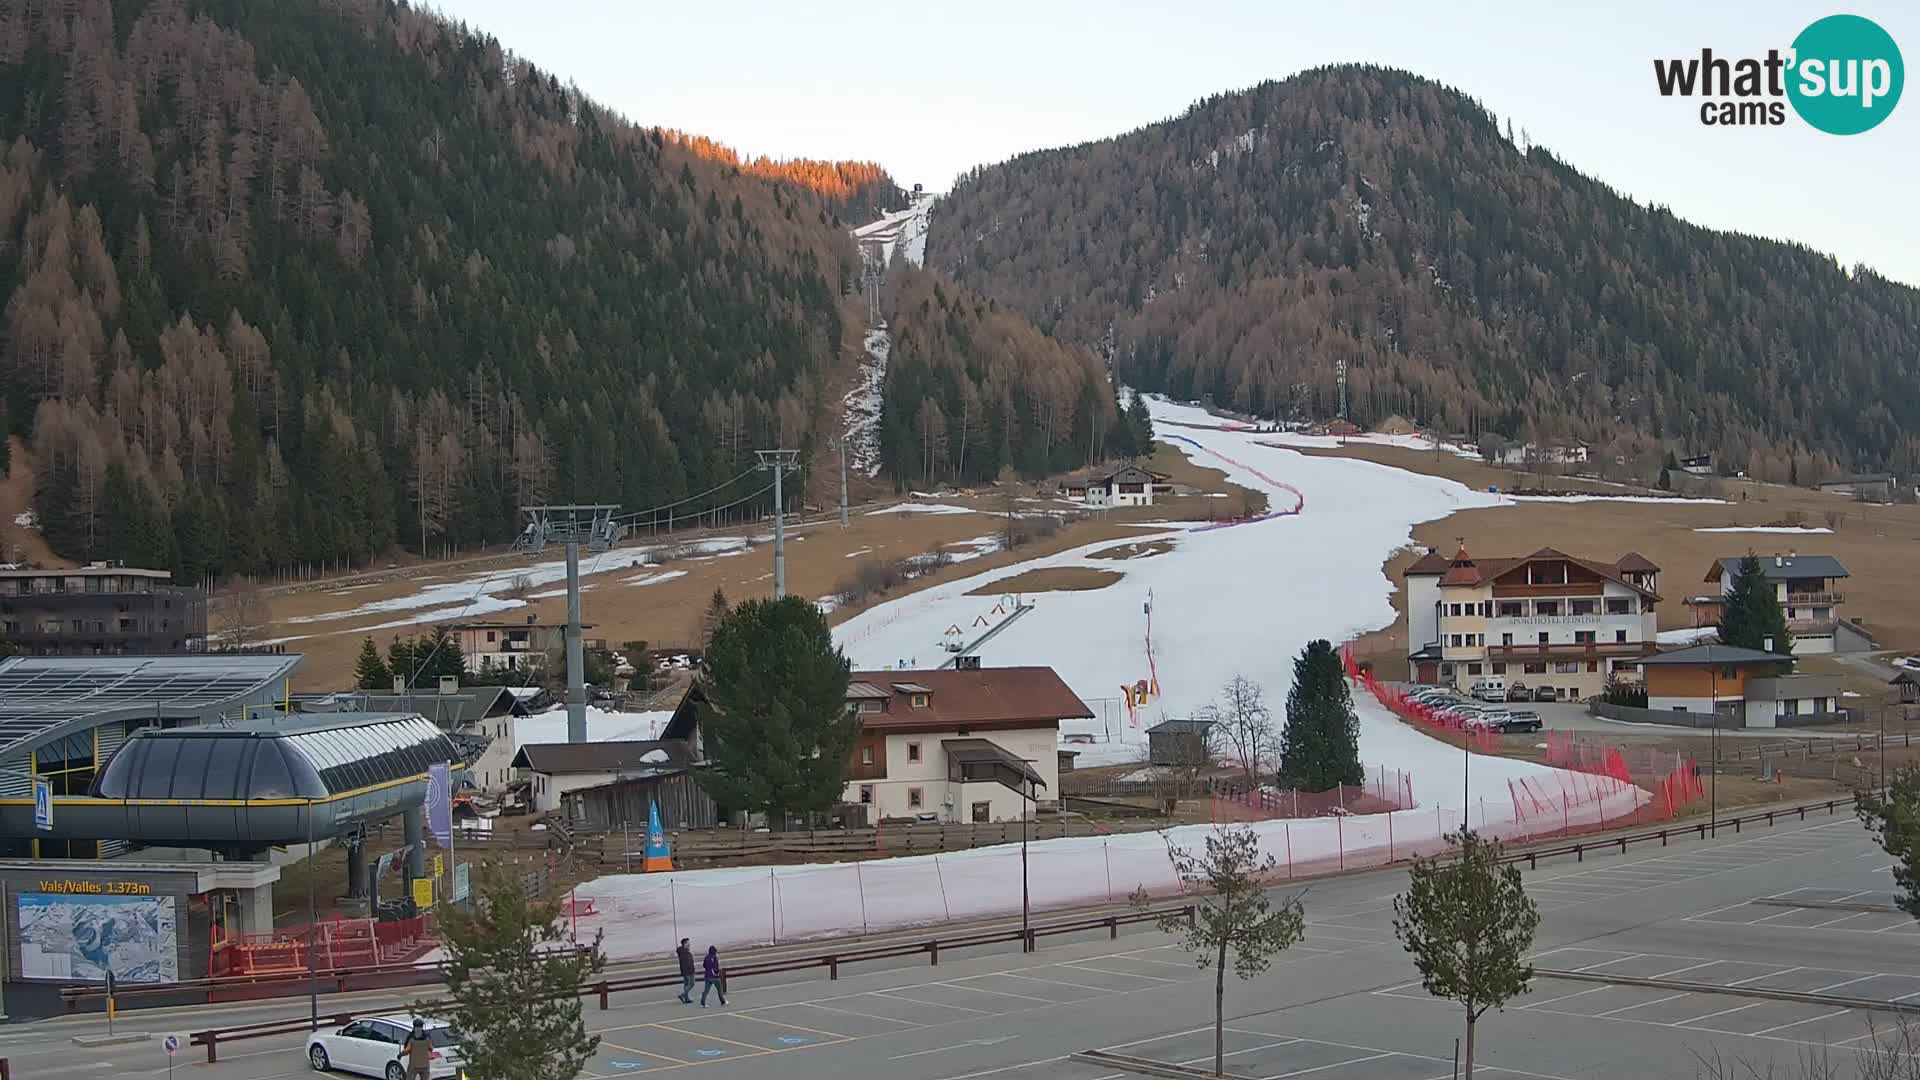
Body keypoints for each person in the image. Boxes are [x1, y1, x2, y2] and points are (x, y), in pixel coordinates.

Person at [675, 938, 696, 1004]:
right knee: (692, 984)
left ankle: (686, 999)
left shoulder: (684, 951)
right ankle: (682, 995)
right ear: (685, 944)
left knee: (686, 984)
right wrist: (691, 970)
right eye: (688, 943)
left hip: (685, 971)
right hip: (688, 971)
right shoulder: (684, 953)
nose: (689, 944)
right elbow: (687, 963)